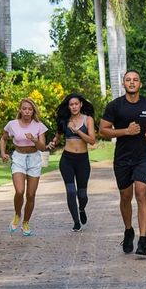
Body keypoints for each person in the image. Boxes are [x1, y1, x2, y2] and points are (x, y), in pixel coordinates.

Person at [99, 70, 146, 257]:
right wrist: (125, 132)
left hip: (143, 157)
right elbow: (103, 130)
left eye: (135, 79)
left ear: (140, 84)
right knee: (125, 197)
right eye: (128, 80)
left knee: (141, 194)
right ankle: (129, 230)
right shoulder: (115, 106)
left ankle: (143, 240)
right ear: (123, 84)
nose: (132, 82)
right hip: (122, 159)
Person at [47, 93, 96, 232]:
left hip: (82, 161)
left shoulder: (88, 120)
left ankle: (81, 209)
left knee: (82, 195)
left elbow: (92, 140)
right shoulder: (64, 120)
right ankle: (76, 222)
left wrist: (78, 132)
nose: (74, 107)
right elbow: (57, 138)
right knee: (70, 192)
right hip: (67, 160)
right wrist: (52, 143)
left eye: (76, 104)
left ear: (81, 104)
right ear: (68, 107)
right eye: (71, 104)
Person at [0, 97, 48, 236]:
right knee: (20, 191)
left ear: (33, 111)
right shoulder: (12, 124)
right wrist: (3, 153)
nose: (27, 111)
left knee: (31, 195)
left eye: (30, 109)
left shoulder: (39, 126)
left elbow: (43, 147)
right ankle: (17, 215)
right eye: (24, 109)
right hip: (19, 158)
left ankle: (26, 222)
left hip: (34, 159)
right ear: (20, 110)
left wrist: (34, 139)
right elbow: (3, 139)